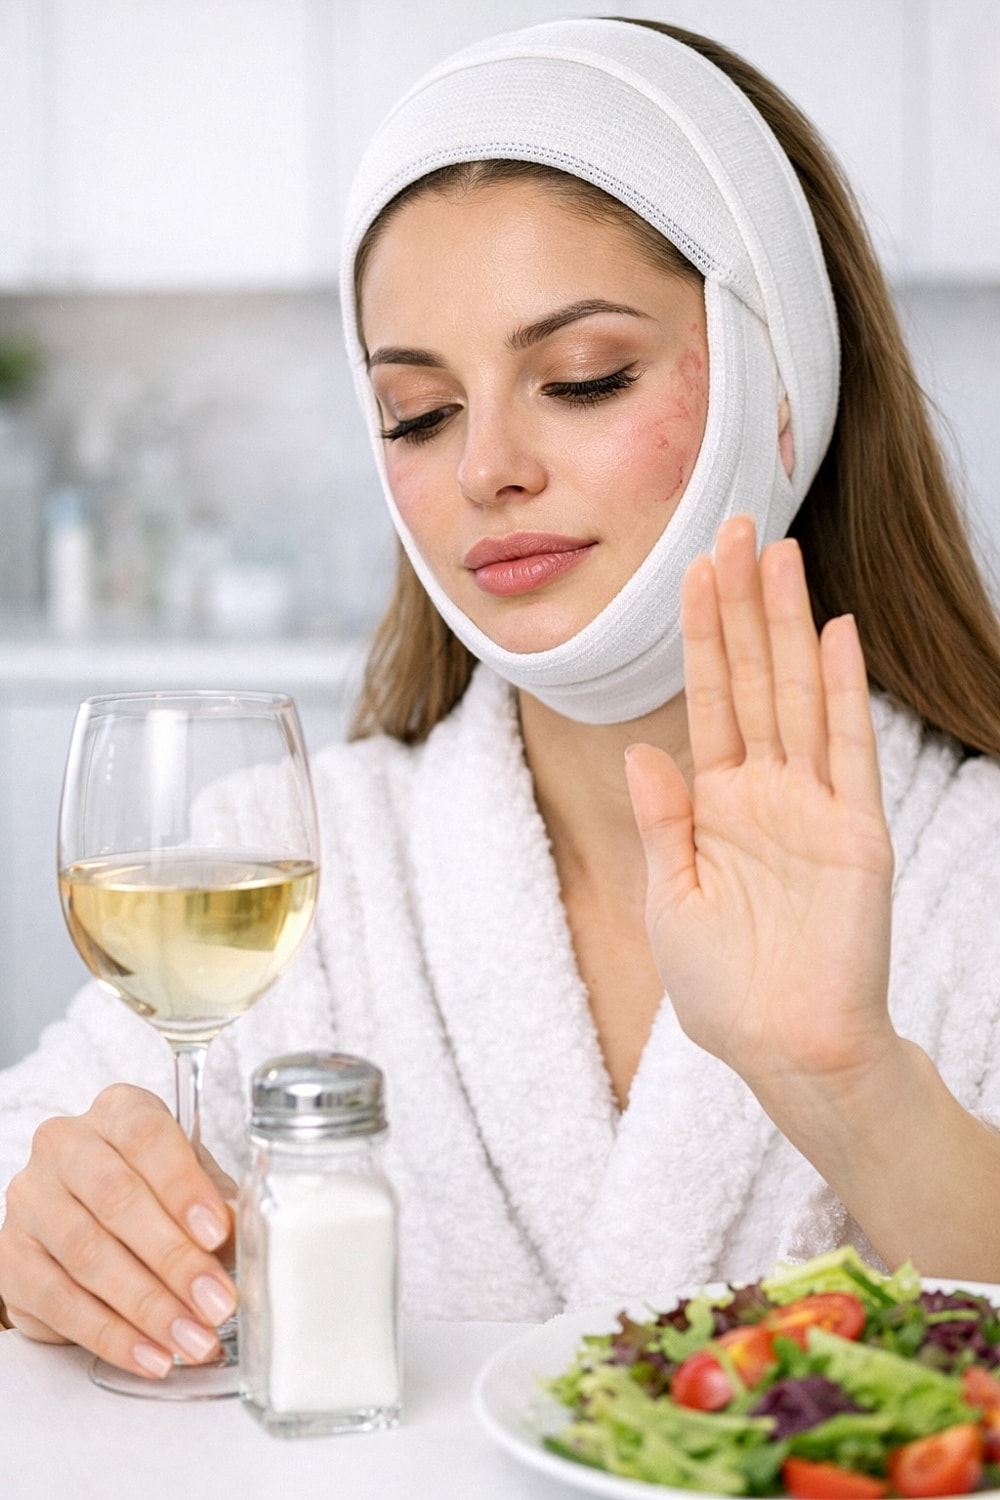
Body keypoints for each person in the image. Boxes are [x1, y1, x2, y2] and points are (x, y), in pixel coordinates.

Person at [2, 15, 1000, 1384]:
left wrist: (848, 1081)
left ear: (786, 386)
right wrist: (40, 1229)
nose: (485, 470)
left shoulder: (974, 870)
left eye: (583, 378)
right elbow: (33, 1155)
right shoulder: (307, 866)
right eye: (416, 413)